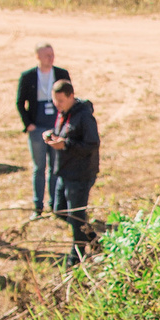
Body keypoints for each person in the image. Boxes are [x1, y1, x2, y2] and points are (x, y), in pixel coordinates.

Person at [15, 41, 73, 220]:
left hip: (56, 126)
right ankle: (37, 206)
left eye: (52, 54)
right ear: (37, 56)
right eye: (47, 54)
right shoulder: (28, 76)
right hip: (37, 126)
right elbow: (19, 102)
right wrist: (28, 124)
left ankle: (55, 205)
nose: (51, 57)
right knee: (39, 167)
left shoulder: (61, 74)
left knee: (56, 167)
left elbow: (70, 99)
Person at [46, 79, 100, 265]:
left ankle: (76, 256)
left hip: (80, 174)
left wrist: (65, 145)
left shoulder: (84, 116)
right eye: (55, 100)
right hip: (64, 172)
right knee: (59, 210)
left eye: (60, 101)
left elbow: (92, 144)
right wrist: (53, 136)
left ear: (71, 96)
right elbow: (66, 134)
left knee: (76, 216)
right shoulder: (65, 113)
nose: (57, 105)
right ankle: (92, 238)